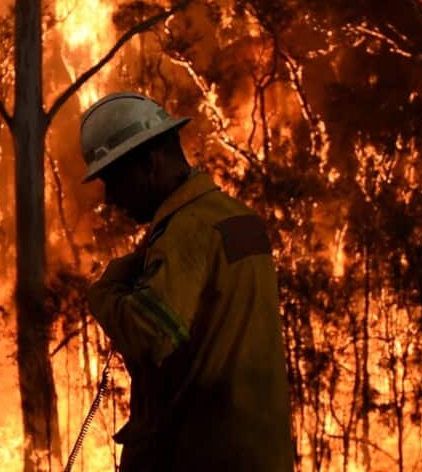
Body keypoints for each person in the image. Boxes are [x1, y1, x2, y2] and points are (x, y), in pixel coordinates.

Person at [80, 91, 295, 472]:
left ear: (149, 163)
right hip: (262, 453)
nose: (111, 198)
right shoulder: (235, 216)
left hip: (203, 454)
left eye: (115, 179)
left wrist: (106, 293)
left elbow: (151, 335)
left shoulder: (185, 230)